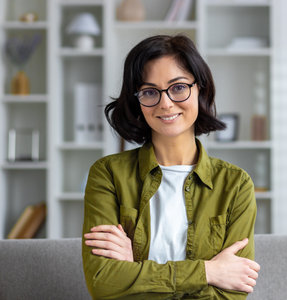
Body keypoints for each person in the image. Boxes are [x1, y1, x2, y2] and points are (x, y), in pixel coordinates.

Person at [82, 34, 260, 299]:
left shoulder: (235, 185)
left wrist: (135, 271)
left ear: (200, 89)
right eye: (150, 92)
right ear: (137, 101)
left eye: (178, 87)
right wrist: (208, 272)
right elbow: (103, 284)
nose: (165, 103)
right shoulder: (108, 174)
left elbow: (231, 295)